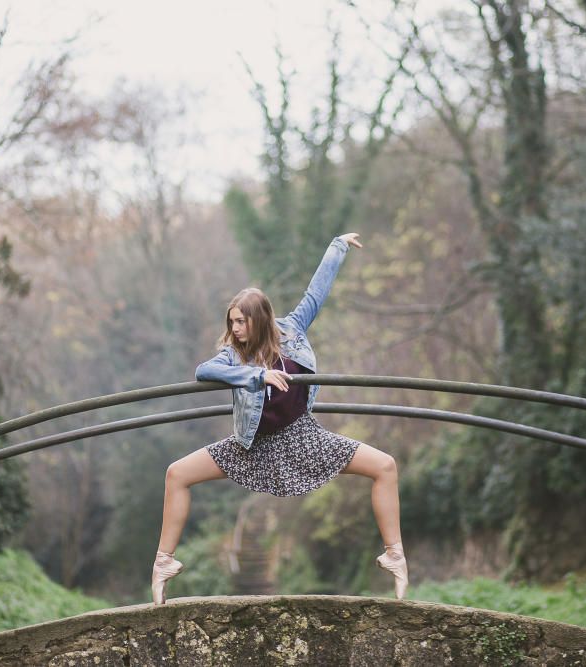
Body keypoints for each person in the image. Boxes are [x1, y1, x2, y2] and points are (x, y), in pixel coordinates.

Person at [151, 233, 407, 605]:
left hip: (303, 439)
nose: (236, 329)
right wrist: (256, 375)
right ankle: (163, 563)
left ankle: (394, 555)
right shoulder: (231, 355)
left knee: (385, 465)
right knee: (177, 474)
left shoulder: (293, 330)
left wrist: (336, 246)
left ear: (260, 319)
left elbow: (316, 294)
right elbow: (203, 371)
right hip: (251, 447)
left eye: (241, 322)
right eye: (232, 322)